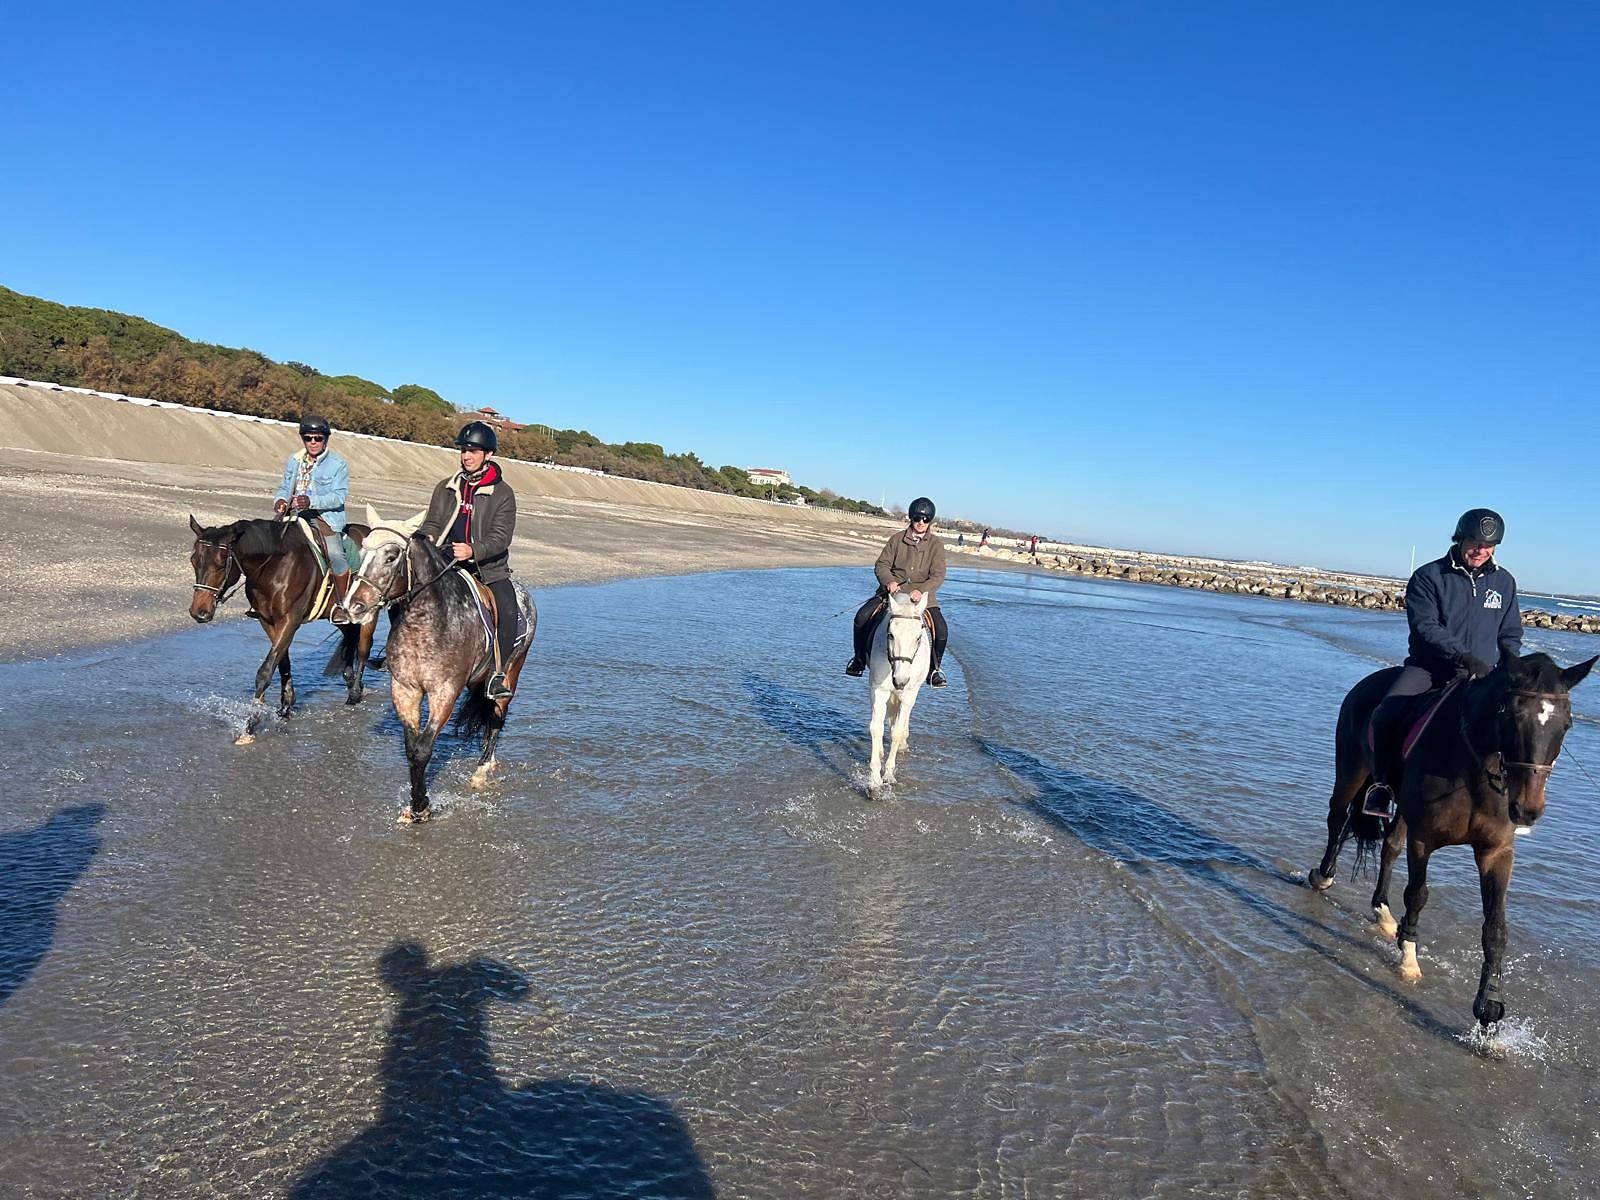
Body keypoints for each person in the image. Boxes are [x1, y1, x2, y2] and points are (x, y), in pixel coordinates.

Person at [1363, 507, 1523, 816]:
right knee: (1386, 713)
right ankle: (1381, 787)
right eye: (1475, 542)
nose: (1481, 550)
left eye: (1488, 545)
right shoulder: (1429, 576)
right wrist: (1462, 656)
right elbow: (1426, 627)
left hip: (1483, 674)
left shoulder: (1505, 582)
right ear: (1461, 538)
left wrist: (1509, 665)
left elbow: (1510, 632)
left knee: (1521, 723)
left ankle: (1512, 799)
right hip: (1430, 668)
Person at [418, 421, 520, 700]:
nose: (467, 456)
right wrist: (423, 538)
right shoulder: (446, 487)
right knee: (405, 591)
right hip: (445, 561)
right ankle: (396, 654)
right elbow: (433, 523)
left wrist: (473, 550)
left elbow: (500, 537)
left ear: (488, 455)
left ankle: (498, 674)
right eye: (464, 450)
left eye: (474, 451)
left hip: (487, 569)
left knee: (509, 612)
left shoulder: (503, 493)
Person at [844, 496, 950, 688]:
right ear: (911, 518)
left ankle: (934, 670)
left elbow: (938, 575)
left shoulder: (936, 544)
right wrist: (889, 581)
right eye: (917, 518)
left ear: (930, 522)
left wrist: (921, 590)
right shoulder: (896, 539)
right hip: (891, 594)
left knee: (941, 630)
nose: (920, 523)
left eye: (925, 520)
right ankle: (859, 659)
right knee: (861, 617)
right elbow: (881, 564)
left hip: (922, 598)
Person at [274, 414, 352, 615]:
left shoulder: (338, 464)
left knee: (336, 556)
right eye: (308, 438)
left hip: (324, 518)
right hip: (293, 514)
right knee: (266, 543)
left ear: (326, 439)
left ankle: (343, 605)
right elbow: (284, 487)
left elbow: (339, 497)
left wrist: (311, 502)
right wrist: (280, 501)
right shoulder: (294, 460)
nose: (313, 442)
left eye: (318, 438)